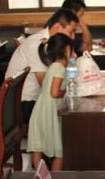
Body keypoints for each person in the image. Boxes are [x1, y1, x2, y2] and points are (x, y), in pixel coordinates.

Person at [5, 8, 78, 124]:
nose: (73, 37)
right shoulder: (36, 44)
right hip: (25, 104)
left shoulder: (54, 44)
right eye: (71, 32)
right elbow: (46, 86)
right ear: (57, 27)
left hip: (38, 99)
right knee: (73, 114)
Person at [27, 33, 73, 171]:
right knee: (60, 152)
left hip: (40, 111)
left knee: (38, 148)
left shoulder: (53, 66)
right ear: (67, 50)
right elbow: (54, 92)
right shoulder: (59, 68)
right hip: (49, 113)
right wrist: (67, 91)